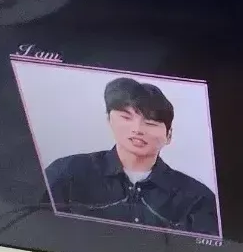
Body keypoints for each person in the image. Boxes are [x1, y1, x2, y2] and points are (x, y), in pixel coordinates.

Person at [44, 76, 220, 236]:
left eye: (150, 122)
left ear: (169, 135)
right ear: (109, 120)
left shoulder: (197, 198)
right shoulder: (67, 173)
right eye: (126, 117)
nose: (137, 129)